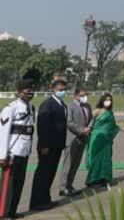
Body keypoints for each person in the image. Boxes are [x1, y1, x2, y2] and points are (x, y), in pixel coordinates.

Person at [29, 79, 68, 211]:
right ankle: (36, 202)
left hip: (56, 145)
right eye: (60, 89)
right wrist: (44, 145)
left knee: (50, 174)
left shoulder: (62, 104)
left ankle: (45, 199)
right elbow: (43, 126)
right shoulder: (47, 104)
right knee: (43, 174)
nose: (62, 92)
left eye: (64, 89)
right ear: (53, 89)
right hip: (48, 146)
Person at [0, 79, 36, 220]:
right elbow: (3, 133)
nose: (30, 93)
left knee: (19, 183)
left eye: (32, 90)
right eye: (27, 90)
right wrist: (3, 155)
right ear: (20, 91)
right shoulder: (11, 108)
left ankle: (12, 212)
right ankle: (3, 213)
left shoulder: (31, 108)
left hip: (24, 151)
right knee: (8, 186)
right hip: (12, 153)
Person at [85, 93, 124, 188]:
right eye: (106, 99)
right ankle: (92, 180)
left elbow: (112, 125)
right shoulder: (97, 111)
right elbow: (87, 122)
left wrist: (120, 128)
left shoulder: (110, 112)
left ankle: (104, 178)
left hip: (107, 140)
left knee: (106, 159)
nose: (108, 101)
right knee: (95, 159)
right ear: (102, 100)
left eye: (110, 100)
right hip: (97, 138)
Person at [58, 86, 92, 196]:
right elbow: (69, 122)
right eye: (82, 95)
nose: (84, 97)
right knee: (68, 163)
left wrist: (89, 128)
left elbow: (91, 119)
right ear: (76, 96)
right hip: (72, 139)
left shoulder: (87, 106)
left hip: (83, 138)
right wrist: (82, 130)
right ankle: (63, 187)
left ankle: (70, 185)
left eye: (85, 95)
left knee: (76, 164)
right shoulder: (70, 107)